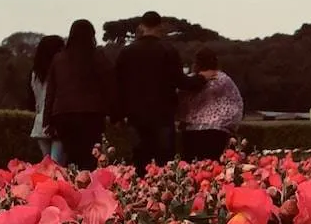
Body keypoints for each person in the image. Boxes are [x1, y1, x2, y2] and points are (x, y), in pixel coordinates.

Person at [115, 11, 193, 171]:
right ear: (161, 26)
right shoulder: (169, 50)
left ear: (141, 26)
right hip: (163, 114)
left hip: (135, 114)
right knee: (165, 164)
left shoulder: (127, 52)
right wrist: (202, 78)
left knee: (139, 162)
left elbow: (117, 85)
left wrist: (117, 115)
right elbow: (181, 81)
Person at [44, 19, 113, 171]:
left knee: (72, 155)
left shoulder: (59, 59)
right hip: (92, 113)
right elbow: (109, 85)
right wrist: (113, 112)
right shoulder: (98, 57)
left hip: (64, 114)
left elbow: (51, 91)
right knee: (90, 156)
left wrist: (47, 120)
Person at [177, 48, 243, 161]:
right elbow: (236, 104)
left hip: (191, 132)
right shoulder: (224, 80)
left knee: (191, 169)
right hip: (217, 131)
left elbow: (180, 102)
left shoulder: (190, 80)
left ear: (196, 63)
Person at [29, 34, 64, 162]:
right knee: (57, 166)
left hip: (39, 123)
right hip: (56, 121)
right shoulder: (59, 71)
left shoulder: (35, 74)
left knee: (47, 164)